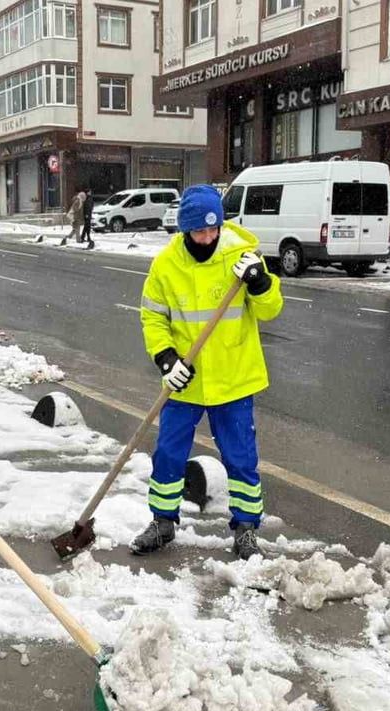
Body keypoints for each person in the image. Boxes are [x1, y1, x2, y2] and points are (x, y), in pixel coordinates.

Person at [130, 184, 283, 561]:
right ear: (185, 230)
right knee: (167, 452)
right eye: (200, 231)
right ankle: (163, 522)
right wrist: (166, 359)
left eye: (214, 229)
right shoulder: (167, 265)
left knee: (241, 458)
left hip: (234, 377)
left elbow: (270, 309)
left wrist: (259, 281)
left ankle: (246, 528)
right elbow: (152, 316)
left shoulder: (242, 256)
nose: (209, 237)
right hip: (186, 380)